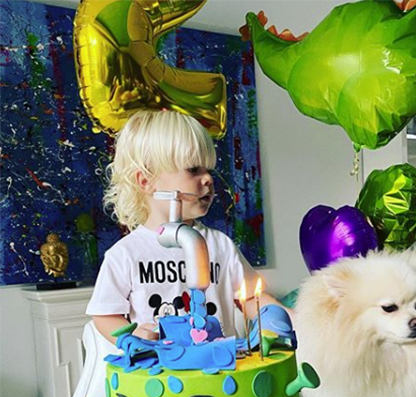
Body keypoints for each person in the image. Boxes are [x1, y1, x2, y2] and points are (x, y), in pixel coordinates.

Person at [87, 109, 283, 343]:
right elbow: (104, 314)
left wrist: (286, 319)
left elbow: (251, 298)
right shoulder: (125, 254)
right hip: (162, 364)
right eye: (193, 169)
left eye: (208, 170)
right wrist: (132, 336)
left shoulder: (220, 245)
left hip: (221, 363)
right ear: (146, 181)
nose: (208, 179)